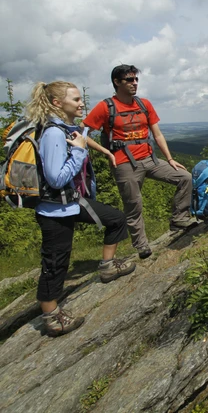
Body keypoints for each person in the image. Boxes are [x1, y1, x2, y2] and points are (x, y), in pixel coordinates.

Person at [27, 81, 134, 337]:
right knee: (55, 263)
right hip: (54, 210)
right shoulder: (53, 133)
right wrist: (78, 154)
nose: (81, 103)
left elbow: (81, 139)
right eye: (75, 100)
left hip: (72, 203)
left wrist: (98, 149)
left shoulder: (66, 127)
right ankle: (51, 317)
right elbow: (55, 179)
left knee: (117, 219)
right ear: (57, 103)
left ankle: (107, 267)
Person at [84, 65, 194, 260]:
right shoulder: (106, 106)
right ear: (117, 82)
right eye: (129, 80)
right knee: (134, 205)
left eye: (136, 79)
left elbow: (157, 134)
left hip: (150, 159)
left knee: (185, 177)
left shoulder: (144, 104)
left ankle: (179, 219)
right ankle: (142, 246)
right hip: (124, 164)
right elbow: (82, 134)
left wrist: (169, 159)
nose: (134, 83)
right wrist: (106, 152)